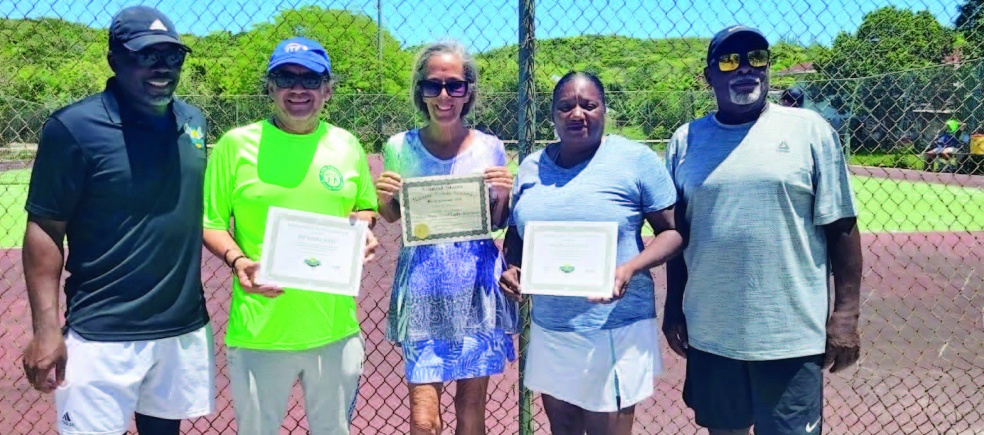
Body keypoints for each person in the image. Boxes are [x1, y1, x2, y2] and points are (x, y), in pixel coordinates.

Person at [21, 6, 214, 435]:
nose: (161, 67)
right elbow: (45, 228)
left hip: (180, 328)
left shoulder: (193, 122)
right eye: (146, 56)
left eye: (172, 56)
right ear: (114, 59)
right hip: (102, 333)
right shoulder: (73, 128)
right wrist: (46, 329)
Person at [663, 25, 863, 435]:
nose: (745, 70)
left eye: (756, 58)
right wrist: (672, 308)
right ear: (709, 76)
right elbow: (679, 236)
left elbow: (842, 227)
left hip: (789, 334)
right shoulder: (686, 140)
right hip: (713, 331)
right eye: (729, 60)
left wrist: (845, 315)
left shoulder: (809, 131)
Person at [201, 36, 378, 435]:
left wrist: (363, 230)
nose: (298, 89)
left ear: (328, 89)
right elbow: (210, 222)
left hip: (334, 330)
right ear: (270, 87)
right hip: (260, 330)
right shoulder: (235, 145)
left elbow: (364, 207)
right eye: (285, 78)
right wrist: (239, 261)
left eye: (311, 80)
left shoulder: (347, 145)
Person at [499, 71, 683, 435]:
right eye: (565, 106)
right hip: (552, 325)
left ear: (604, 110)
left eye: (588, 105)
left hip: (614, 325)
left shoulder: (635, 159)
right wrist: (513, 268)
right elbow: (517, 234)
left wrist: (629, 268)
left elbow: (674, 233)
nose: (577, 114)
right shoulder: (532, 167)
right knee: (563, 427)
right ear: (552, 115)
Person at [375, 41, 520, 435]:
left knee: (471, 409)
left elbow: (497, 221)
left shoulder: (490, 147)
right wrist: (385, 198)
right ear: (419, 90)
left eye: (454, 85)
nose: (443, 96)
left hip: (476, 288)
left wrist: (504, 193)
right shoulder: (399, 147)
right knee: (424, 419)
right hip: (423, 286)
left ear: (468, 91)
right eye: (432, 85)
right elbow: (392, 218)